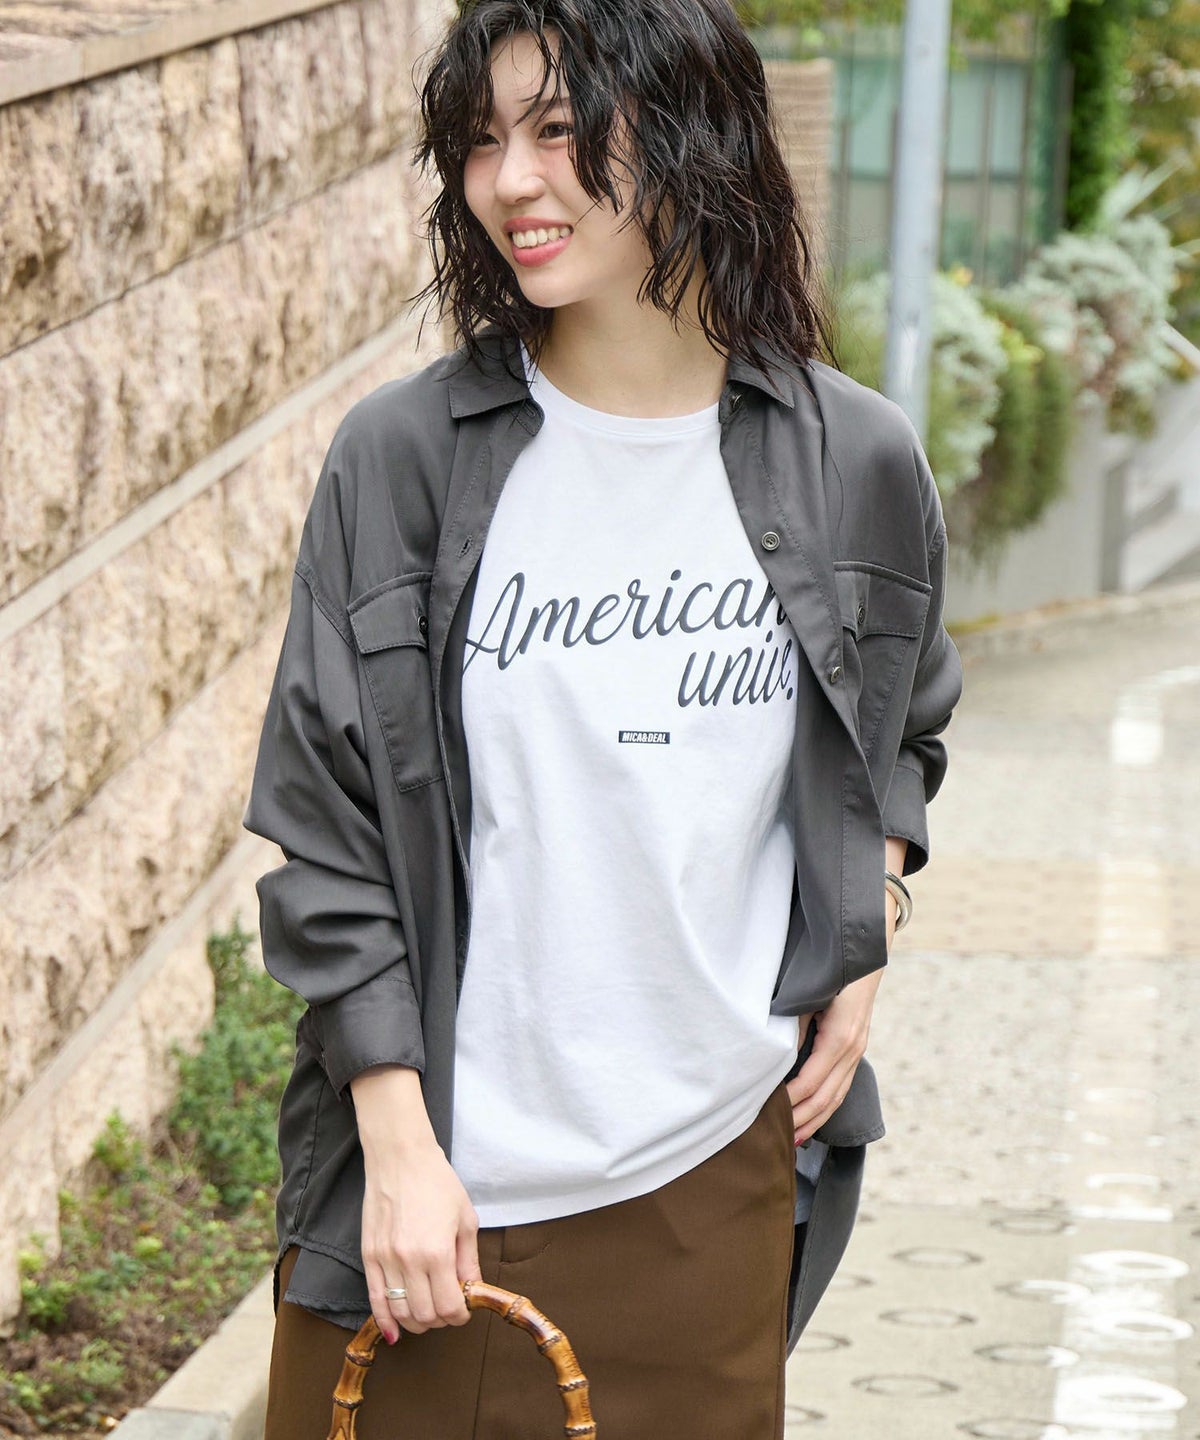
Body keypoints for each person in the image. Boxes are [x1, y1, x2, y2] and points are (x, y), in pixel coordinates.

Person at [245, 0, 962, 1435]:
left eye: (562, 131)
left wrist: (866, 918)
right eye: (480, 141)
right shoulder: (404, 459)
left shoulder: (856, 461)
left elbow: (898, 732)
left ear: (696, 130)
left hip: (710, 1189)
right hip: (424, 1211)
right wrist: (396, 1144)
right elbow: (329, 831)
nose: (511, 180)